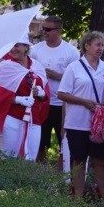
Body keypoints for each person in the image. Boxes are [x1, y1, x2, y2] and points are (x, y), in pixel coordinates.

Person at [58, 31, 104, 200]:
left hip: (99, 125)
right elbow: (62, 93)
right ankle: (79, 198)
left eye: (102, 45)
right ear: (86, 46)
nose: (100, 48)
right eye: (97, 44)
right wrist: (83, 102)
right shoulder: (74, 67)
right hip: (77, 122)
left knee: (101, 162)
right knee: (79, 161)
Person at [0, 38, 50, 161]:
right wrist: (18, 99)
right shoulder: (5, 67)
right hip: (12, 118)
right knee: (9, 158)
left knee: (30, 159)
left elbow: (45, 95)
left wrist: (41, 93)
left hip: (34, 119)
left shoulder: (37, 66)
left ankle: (25, 181)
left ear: (26, 47)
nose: (13, 49)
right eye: (11, 46)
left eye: (17, 46)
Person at [29, 15, 79, 163]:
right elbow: (28, 73)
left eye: (48, 29)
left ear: (59, 31)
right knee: (39, 142)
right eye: (43, 29)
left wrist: (58, 76)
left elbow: (77, 78)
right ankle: (39, 173)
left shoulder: (71, 52)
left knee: (64, 141)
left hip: (62, 103)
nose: (44, 32)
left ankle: (62, 175)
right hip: (41, 101)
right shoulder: (35, 50)